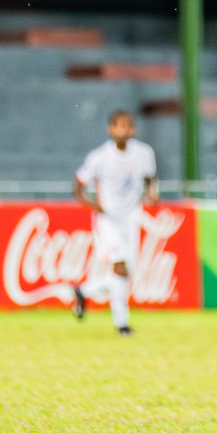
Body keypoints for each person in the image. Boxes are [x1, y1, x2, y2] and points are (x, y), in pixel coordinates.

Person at [71, 109, 158, 337]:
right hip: (109, 220)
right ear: (110, 129)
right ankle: (122, 324)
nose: (124, 130)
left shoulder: (144, 153)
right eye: (120, 125)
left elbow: (150, 178)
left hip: (131, 218)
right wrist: (96, 206)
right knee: (119, 267)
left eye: (128, 125)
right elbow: (78, 186)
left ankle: (84, 291)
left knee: (125, 273)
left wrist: (152, 192)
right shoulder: (99, 157)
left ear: (134, 129)